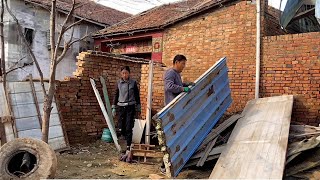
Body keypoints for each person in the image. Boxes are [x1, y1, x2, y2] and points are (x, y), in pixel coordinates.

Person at [160, 54, 195, 173]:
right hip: (171, 109)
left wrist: (186, 84)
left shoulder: (177, 75)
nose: (184, 66)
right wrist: (182, 89)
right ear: (176, 62)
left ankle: (167, 164)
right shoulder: (170, 73)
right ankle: (164, 166)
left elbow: (177, 85)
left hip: (175, 109)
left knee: (174, 138)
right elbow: (169, 87)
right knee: (170, 138)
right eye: (183, 63)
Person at [112, 66, 141, 154]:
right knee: (121, 127)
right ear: (121, 74)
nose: (125, 75)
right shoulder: (119, 83)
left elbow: (136, 95)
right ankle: (123, 144)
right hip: (121, 107)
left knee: (129, 127)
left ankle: (128, 146)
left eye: (126, 73)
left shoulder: (133, 83)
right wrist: (113, 106)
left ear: (129, 73)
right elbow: (116, 95)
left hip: (130, 107)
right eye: (123, 73)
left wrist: (138, 106)